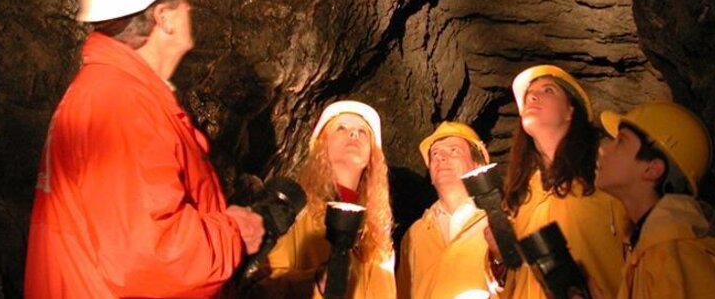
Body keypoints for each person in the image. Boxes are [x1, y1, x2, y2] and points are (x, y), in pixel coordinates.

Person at [24, 0, 265, 298]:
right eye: (182, 0)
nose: (191, 8)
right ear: (163, 17)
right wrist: (234, 233)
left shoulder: (114, 94)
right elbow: (153, 255)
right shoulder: (121, 107)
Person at [497, 65, 629, 299]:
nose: (533, 96)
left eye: (548, 90)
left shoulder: (604, 178)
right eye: (529, 94)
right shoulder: (522, 197)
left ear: (570, 111)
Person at [593, 101, 715, 298]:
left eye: (621, 141)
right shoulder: (652, 246)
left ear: (652, 169)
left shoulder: (673, 253)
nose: (603, 149)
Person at [256, 100, 396, 298]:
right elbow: (257, 286)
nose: (354, 134)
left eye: (363, 132)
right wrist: (315, 281)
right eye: (341, 128)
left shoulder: (379, 239)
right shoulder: (295, 211)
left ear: (372, 155)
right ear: (323, 145)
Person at [398, 122, 496, 299]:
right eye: (434, 153)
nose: (441, 158)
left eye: (453, 150)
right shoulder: (414, 235)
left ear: (478, 164)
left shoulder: (500, 220)